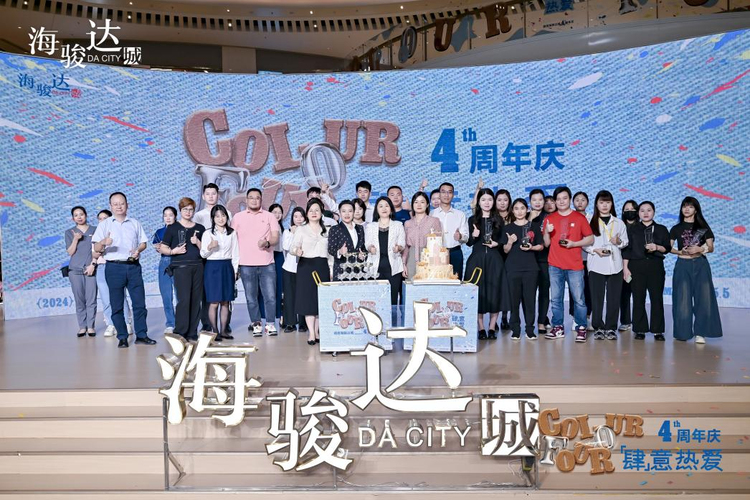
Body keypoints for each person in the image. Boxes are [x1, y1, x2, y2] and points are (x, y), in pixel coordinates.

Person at [92, 192, 155, 348]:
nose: (119, 206)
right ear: (110, 206)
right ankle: (122, 337)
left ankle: (142, 335)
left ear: (127, 205)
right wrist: (103, 242)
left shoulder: (135, 223)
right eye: (115, 204)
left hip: (133, 266)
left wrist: (138, 250)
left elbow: (143, 243)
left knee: (139, 303)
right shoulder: (105, 224)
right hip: (113, 267)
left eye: (122, 203)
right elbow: (96, 249)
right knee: (117, 304)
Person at [542, 187, 594, 342]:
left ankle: (581, 327)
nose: (561, 201)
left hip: (574, 265)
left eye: (564, 198)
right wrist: (547, 231)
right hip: (555, 265)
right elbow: (546, 244)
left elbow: (590, 238)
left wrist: (574, 244)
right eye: (558, 199)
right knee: (556, 299)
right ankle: (558, 327)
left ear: (569, 199)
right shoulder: (549, 218)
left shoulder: (579, 218)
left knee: (579, 299)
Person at [669, 197, 723, 344]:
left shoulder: (703, 227)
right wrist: (680, 251)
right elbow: (668, 247)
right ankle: (682, 332)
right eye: (684, 206)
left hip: (700, 265)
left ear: (696, 210)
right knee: (682, 299)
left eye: (690, 207)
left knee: (704, 298)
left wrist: (700, 249)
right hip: (682, 265)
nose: (687, 209)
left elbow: (711, 247)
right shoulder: (676, 228)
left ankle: (701, 333)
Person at [232, 188, 280, 337]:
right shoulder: (237, 217)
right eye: (251, 198)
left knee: (270, 296)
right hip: (246, 264)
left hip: (267, 263)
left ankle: (270, 324)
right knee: (251, 297)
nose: (254, 200)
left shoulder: (269, 216)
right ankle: (256, 323)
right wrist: (235, 266)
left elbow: (275, 237)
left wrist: (267, 243)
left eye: (257, 198)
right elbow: (232, 240)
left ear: (261, 200)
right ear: (246, 200)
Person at [159, 197, 205, 342]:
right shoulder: (173, 227)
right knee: (184, 299)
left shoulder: (200, 228)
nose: (188, 212)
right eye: (185, 209)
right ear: (180, 210)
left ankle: (192, 332)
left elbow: (205, 250)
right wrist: (174, 251)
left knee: (196, 300)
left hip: (198, 266)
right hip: (181, 267)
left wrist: (197, 242)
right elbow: (163, 248)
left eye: (191, 209)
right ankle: (181, 331)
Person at [623, 201, 670, 341]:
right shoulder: (632, 229)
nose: (645, 213)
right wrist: (625, 268)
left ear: (654, 212)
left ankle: (658, 330)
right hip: (636, 266)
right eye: (642, 210)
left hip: (655, 266)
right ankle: (640, 329)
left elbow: (667, 248)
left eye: (649, 210)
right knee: (638, 298)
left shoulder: (661, 229)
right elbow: (627, 250)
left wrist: (657, 247)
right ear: (638, 213)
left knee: (656, 298)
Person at [585, 191, 629, 341]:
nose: (604, 205)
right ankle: (598, 327)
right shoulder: (589, 221)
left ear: (612, 204)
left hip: (615, 265)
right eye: (601, 202)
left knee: (614, 298)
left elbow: (625, 242)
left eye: (608, 202)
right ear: (596, 204)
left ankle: (610, 328)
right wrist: (594, 250)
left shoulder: (619, 222)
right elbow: (583, 243)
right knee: (596, 298)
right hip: (596, 264)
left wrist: (618, 242)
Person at [194, 183, 233, 334]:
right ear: (203, 196)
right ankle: (208, 324)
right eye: (208, 194)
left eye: (214, 193)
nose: (211, 197)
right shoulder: (199, 215)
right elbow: (198, 239)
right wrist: (207, 247)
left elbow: (229, 235)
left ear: (218, 195)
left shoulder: (227, 213)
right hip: (206, 258)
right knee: (209, 296)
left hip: (224, 259)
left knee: (226, 297)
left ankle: (224, 326)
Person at [502, 199, 543, 340]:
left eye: (522, 208)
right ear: (512, 211)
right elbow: (505, 250)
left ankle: (530, 329)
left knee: (530, 300)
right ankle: (515, 329)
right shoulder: (508, 228)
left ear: (527, 210)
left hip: (531, 268)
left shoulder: (534, 227)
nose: (519, 211)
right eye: (516, 208)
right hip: (513, 268)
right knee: (514, 301)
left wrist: (532, 247)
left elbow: (541, 246)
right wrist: (510, 242)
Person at [291, 198, 330, 345]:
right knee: (308, 301)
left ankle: (317, 331)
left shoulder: (327, 229)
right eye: (311, 210)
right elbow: (293, 247)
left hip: (322, 266)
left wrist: (331, 268)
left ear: (321, 212)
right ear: (307, 213)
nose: (314, 213)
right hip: (306, 266)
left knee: (320, 300)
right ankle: (311, 333)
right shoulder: (301, 229)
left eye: (317, 210)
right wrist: (297, 251)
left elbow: (330, 253)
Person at [466, 188, 504, 339]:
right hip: (477, 260)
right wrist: (474, 235)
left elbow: (503, 240)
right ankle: (481, 328)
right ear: (479, 202)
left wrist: (496, 244)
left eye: (489, 199)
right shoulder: (472, 220)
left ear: (493, 201)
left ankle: (492, 327)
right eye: (483, 200)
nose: (487, 203)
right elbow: (469, 243)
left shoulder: (498, 219)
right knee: (478, 293)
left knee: (495, 292)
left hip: (494, 260)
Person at [201, 205, 239, 341]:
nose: (221, 219)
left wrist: (235, 271)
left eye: (223, 215)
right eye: (217, 216)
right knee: (214, 302)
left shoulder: (232, 233)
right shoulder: (208, 234)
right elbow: (203, 254)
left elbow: (235, 253)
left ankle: (223, 331)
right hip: (212, 267)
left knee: (225, 301)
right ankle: (215, 331)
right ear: (213, 218)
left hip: (227, 267)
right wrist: (210, 247)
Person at [95, 210, 133, 337]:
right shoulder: (97, 236)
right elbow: (94, 253)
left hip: (115, 266)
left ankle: (126, 322)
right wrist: (101, 245)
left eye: (105, 218)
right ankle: (111, 324)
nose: (102, 220)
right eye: (100, 218)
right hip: (101, 268)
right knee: (106, 298)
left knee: (120, 296)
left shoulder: (118, 232)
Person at [365, 196, 406, 311]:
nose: (384, 208)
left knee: (393, 299)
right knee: (376, 300)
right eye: (381, 206)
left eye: (387, 206)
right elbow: (367, 243)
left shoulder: (398, 225)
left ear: (391, 209)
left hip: (393, 267)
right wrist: (370, 248)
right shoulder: (370, 226)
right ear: (376, 210)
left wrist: (398, 248)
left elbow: (402, 243)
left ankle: (392, 321)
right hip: (375, 266)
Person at [65, 206, 97, 337]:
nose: (79, 217)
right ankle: (82, 327)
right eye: (76, 215)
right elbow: (70, 252)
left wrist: (93, 264)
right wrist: (75, 239)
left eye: (81, 214)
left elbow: (99, 250)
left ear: (86, 215)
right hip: (75, 270)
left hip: (90, 269)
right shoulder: (69, 232)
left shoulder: (95, 230)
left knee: (91, 299)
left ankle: (91, 326)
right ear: (73, 218)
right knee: (79, 300)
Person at [403, 191, 443, 278]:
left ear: (427, 204)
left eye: (422, 202)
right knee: (411, 284)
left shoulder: (434, 221)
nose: (419, 205)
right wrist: (403, 264)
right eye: (416, 202)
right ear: (412, 205)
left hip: (429, 258)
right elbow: (406, 246)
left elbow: (438, 244)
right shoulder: (408, 223)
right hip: (411, 258)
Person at [433, 182, 469, 280]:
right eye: (443, 192)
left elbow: (466, 237)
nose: (446, 195)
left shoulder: (460, 214)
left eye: (449, 192)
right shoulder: (432, 214)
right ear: (439, 194)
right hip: (437, 254)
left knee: (455, 282)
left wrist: (460, 236)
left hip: (455, 253)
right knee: (437, 282)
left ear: (453, 195)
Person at [152, 206, 177, 334]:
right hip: (164, 262)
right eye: (165, 215)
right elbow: (156, 246)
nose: (168, 218)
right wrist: (158, 247)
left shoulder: (180, 230)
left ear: (175, 216)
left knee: (180, 296)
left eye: (170, 215)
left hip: (178, 263)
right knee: (166, 296)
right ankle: (171, 323)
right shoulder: (159, 232)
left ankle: (182, 323)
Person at [529, 190, 551, 334]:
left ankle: (542, 321)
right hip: (528, 260)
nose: (537, 202)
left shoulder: (549, 218)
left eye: (540, 199)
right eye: (534, 200)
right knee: (529, 293)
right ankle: (529, 323)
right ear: (530, 201)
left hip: (544, 259)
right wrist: (529, 219)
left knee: (544, 292)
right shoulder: (524, 216)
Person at [281, 207, 306, 333]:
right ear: (292, 218)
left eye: (301, 216)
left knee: (303, 295)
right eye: (296, 216)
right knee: (289, 297)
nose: (299, 219)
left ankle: (303, 323)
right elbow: (286, 247)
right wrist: (292, 233)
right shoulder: (287, 232)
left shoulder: (307, 231)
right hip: (289, 268)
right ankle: (290, 323)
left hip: (303, 267)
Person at [328, 200, 366, 281]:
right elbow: (331, 249)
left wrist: (363, 255)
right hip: (341, 272)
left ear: (353, 212)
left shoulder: (360, 228)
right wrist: (340, 251)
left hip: (358, 273)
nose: (347, 214)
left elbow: (363, 248)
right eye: (344, 211)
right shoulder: (334, 229)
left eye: (350, 211)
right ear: (339, 213)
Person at [571, 191, 593, 328]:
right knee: (575, 289)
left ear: (588, 202)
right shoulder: (570, 217)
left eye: (583, 200)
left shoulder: (592, 219)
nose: (580, 202)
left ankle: (587, 317)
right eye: (577, 200)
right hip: (574, 259)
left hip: (590, 259)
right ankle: (576, 318)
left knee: (588, 289)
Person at [494, 189, 513, 330]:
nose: (502, 203)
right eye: (499, 200)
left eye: (505, 200)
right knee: (496, 286)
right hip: (495, 254)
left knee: (509, 287)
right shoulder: (491, 217)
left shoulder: (515, 216)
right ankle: (494, 319)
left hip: (511, 255)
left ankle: (505, 317)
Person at [619, 199, 639, 332]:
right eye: (626, 210)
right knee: (624, 294)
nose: (629, 212)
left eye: (632, 209)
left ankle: (638, 323)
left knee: (638, 295)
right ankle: (625, 321)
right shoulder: (619, 226)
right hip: (621, 264)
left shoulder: (641, 227)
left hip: (637, 264)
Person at [269, 204, 286, 324]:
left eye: (279, 212)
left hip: (280, 257)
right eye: (274, 212)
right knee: (269, 288)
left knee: (280, 287)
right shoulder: (267, 226)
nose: (277, 215)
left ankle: (281, 316)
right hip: (269, 256)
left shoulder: (283, 228)